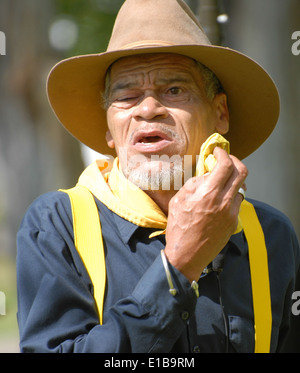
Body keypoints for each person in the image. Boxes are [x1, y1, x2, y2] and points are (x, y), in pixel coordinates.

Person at [17, 0, 299, 353]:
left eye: (175, 90)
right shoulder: (57, 225)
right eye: (127, 95)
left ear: (220, 113)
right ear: (108, 130)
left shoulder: (271, 234)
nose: (148, 109)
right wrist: (179, 265)